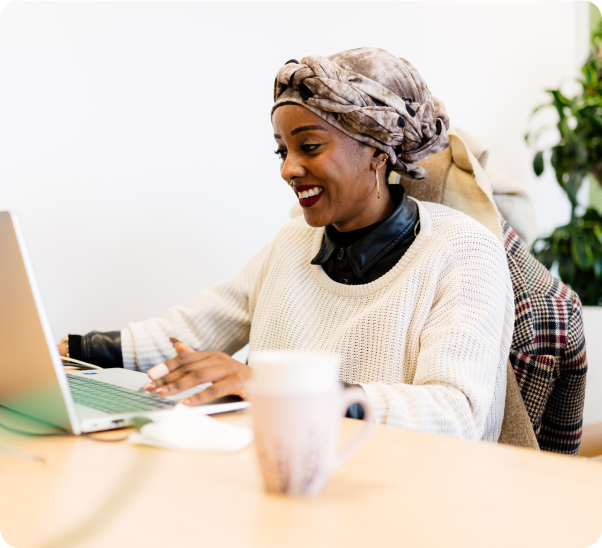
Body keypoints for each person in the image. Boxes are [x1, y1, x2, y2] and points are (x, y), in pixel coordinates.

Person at [59, 47, 515, 443]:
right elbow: (188, 334)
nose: (288, 170)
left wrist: (271, 387)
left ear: (378, 150)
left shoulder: (464, 250)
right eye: (283, 151)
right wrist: (61, 349)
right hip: (286, 481)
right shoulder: (293, 242)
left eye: (310, 147)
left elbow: (456, 413)